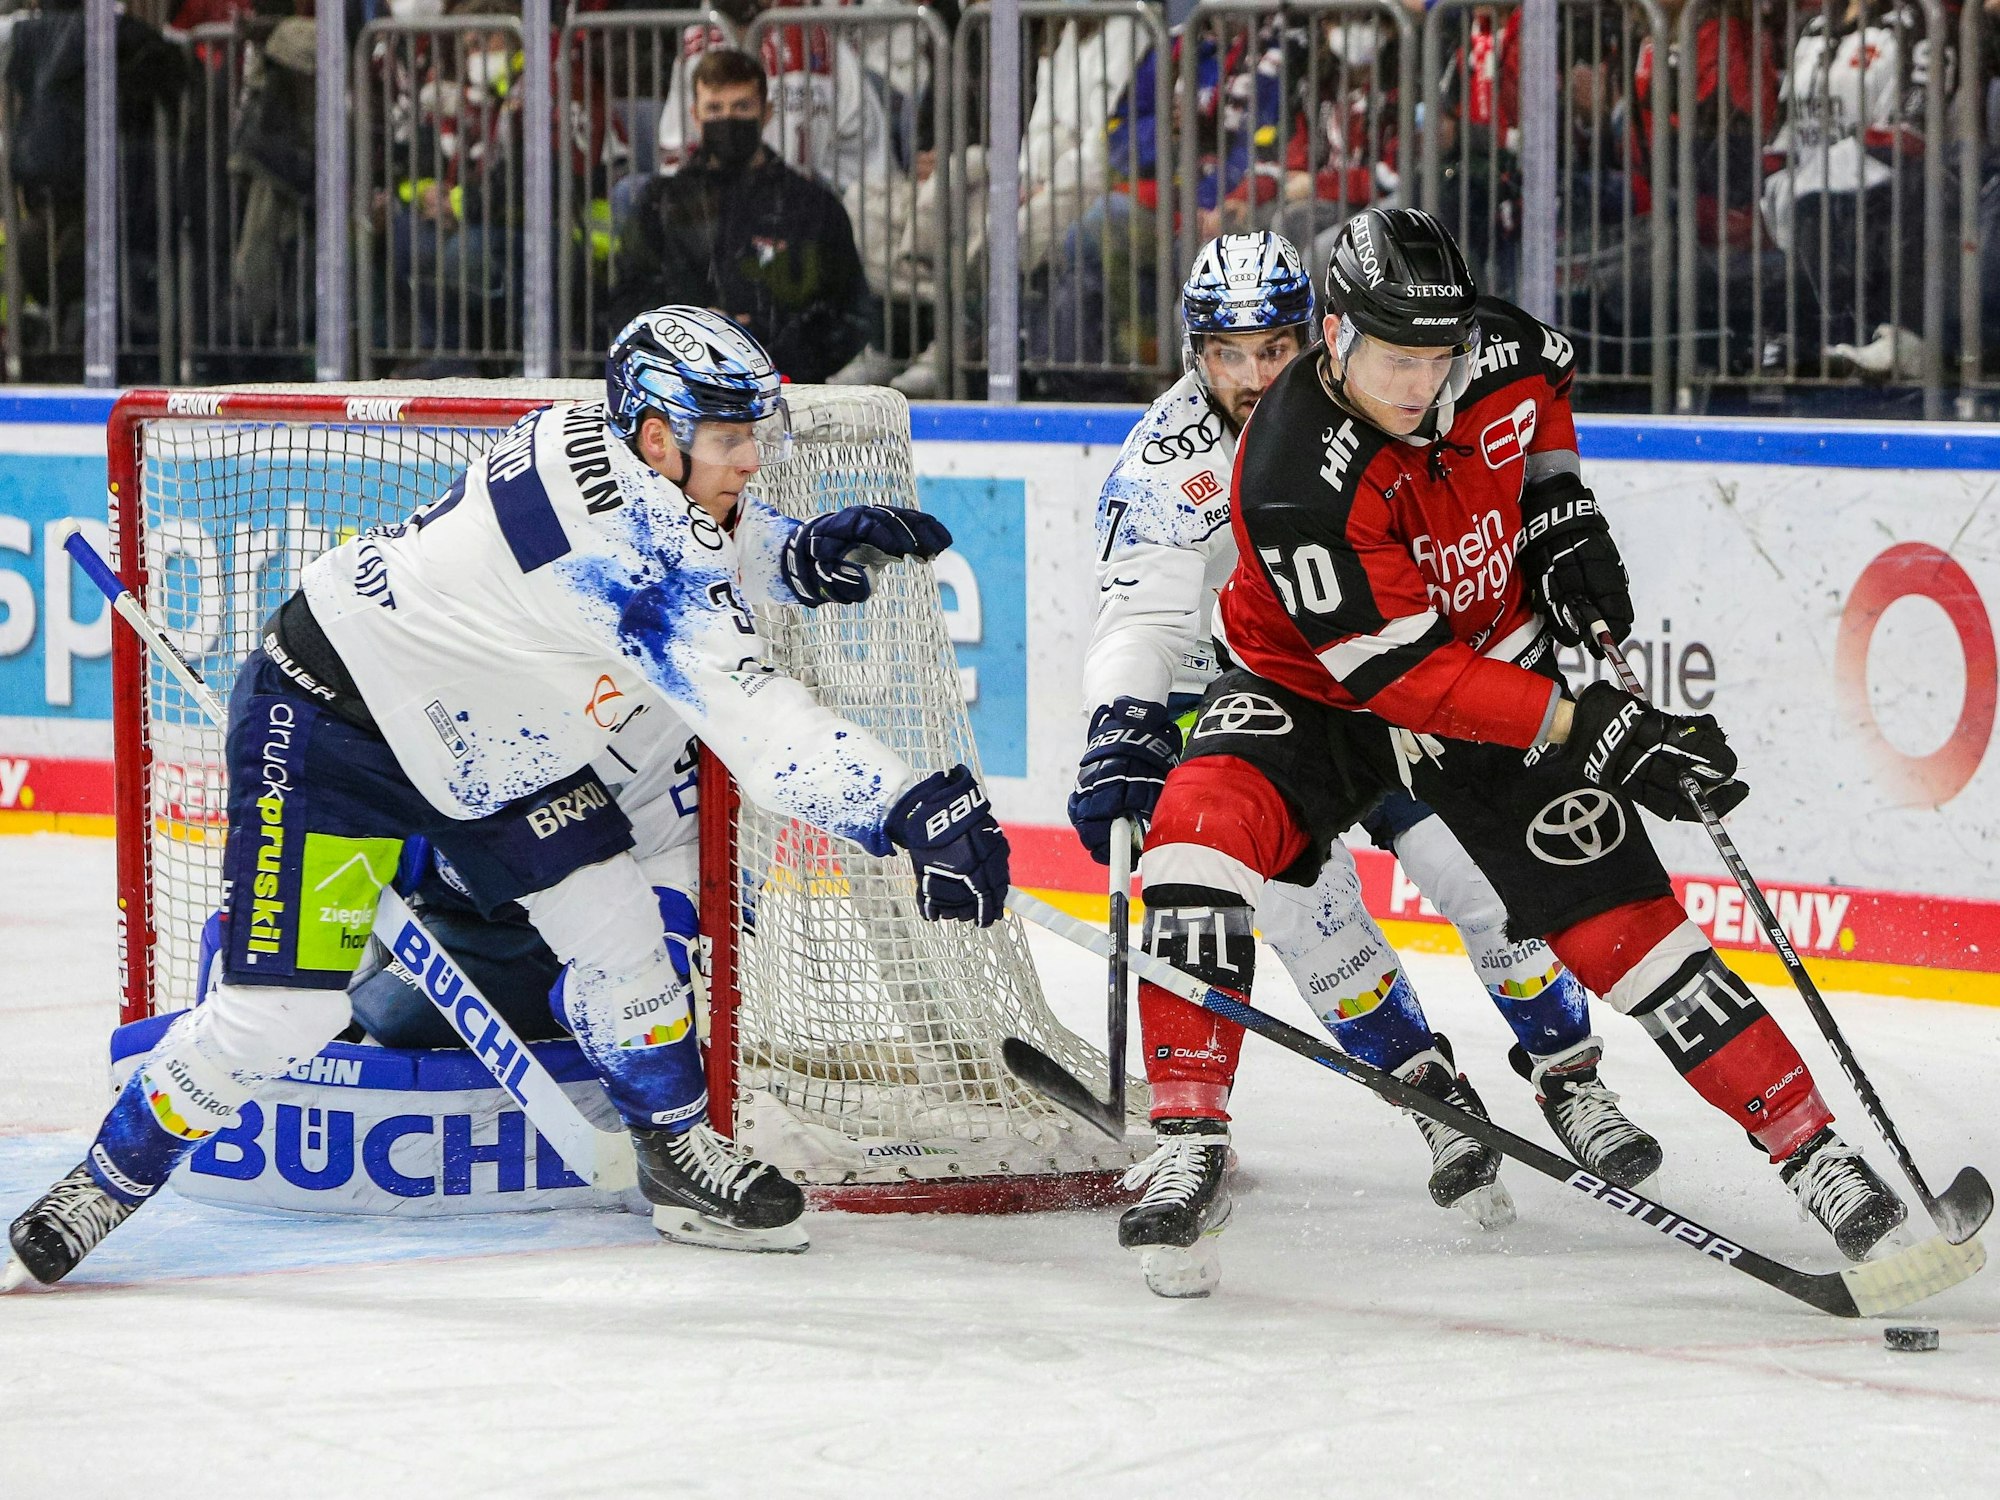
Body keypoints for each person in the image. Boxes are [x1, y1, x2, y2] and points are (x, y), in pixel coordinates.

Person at [4, 306, 1009, 1287]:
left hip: (486, 746)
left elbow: (689, 538)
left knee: (620, 933)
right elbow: (757, 722)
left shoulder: (590, 440)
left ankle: (673, 1147)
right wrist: (910, 808)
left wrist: (790, 554)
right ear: (657, 437)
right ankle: (103, 1182)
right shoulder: (631, 554)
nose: (750, 460)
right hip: (332, 727)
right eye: (731, 439)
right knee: (280, 1017)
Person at [1118, 208, 1907, 1294]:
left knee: (1629, 933)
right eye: (1395, 358)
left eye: (1437, 357)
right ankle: (1188, 1138)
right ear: (1336, 336)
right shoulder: (1289, 468)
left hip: (1488, 656)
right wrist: (1595, 727)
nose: (1419, 382)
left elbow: (1547, 388)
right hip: (1310, 693)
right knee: (1191, 848)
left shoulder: (1503, 348)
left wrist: (1556, 505)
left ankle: (1817, 1156)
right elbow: (1400, 681)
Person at [1073, 231, 1660, 1295]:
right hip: (1276, 706)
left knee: (1485, 888)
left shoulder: (1382, 397)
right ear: (1191, 352)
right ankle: (1430, 1096)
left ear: (1323, 333)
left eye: (1277, 345)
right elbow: (1143, 611)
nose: (1255, 376)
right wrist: (1121, 718)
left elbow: (1511, 434)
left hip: (1406, 681)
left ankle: (1568, 1077)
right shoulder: (1165, 465)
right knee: (1312, 919)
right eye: (1227, 353)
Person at [612, 48, 872, 384]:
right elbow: (626, 302)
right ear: (695, 115)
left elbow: (851, 315)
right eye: (715, 109)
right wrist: (692, 336)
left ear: (766, 113)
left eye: (741, 107)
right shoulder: (660, 205)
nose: (728, 119)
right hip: (681, 392)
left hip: (787, 394)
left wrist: (763, 346)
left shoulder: (812, 207)